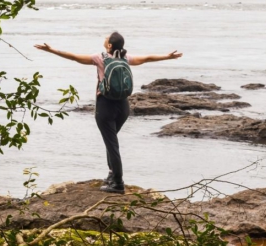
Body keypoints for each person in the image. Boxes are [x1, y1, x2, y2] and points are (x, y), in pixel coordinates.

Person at [35, 32, 182, 194]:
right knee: (111, 142)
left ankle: (118, 183)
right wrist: (167, 57)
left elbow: (74, 57)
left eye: (106, 38)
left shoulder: (100, 58)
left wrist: (52, 50)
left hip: (105, 106)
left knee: (112, 145)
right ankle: (112, 175)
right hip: (123, 107)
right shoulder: (125, 58)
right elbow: (147, 58)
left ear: (110, 46)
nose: (104, 39)